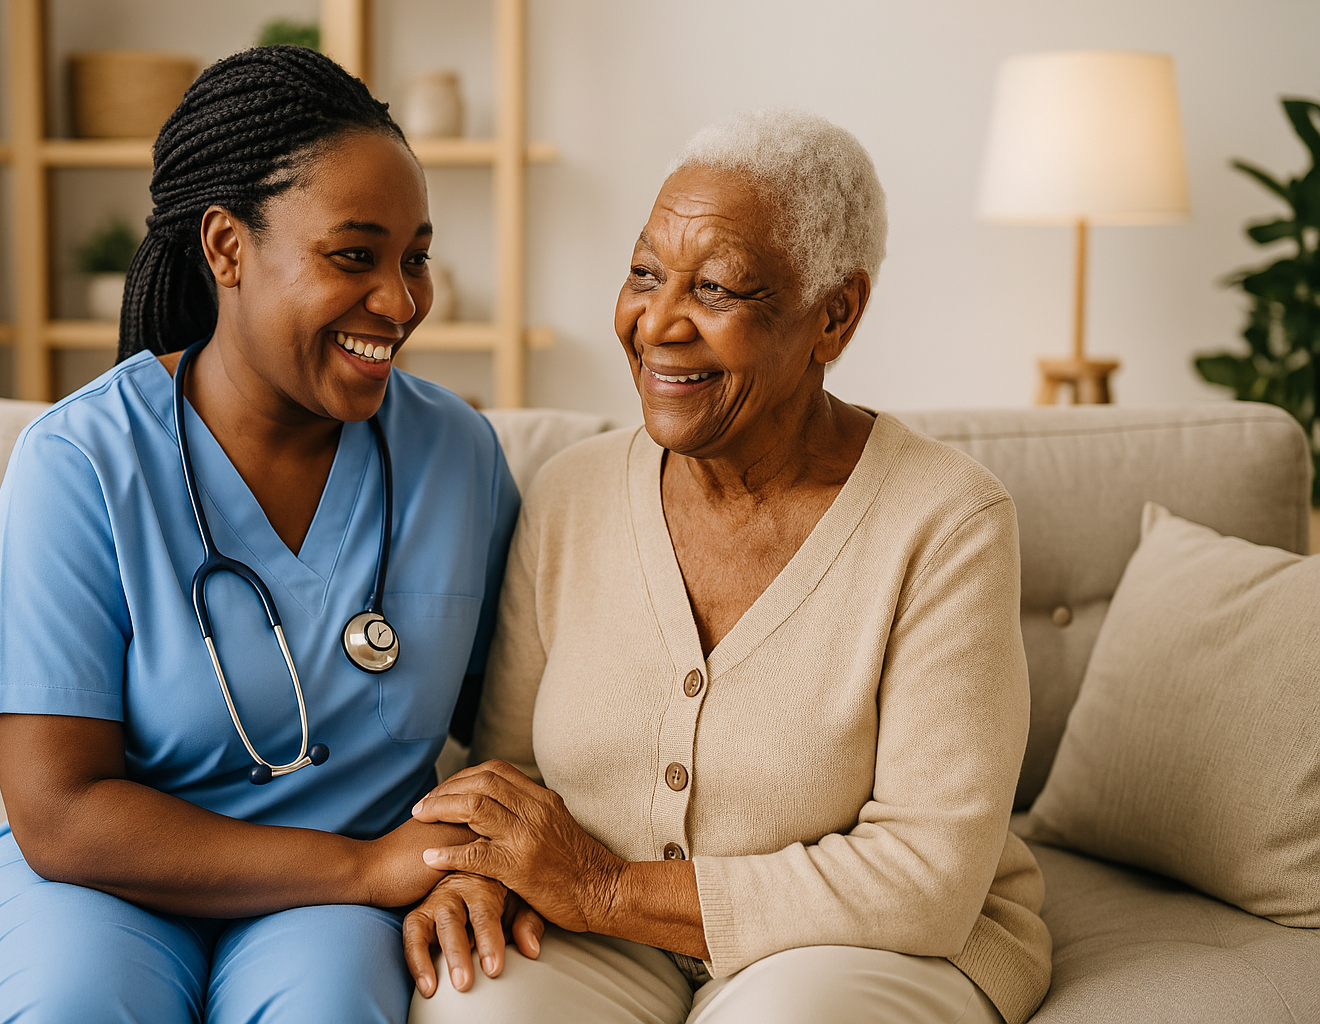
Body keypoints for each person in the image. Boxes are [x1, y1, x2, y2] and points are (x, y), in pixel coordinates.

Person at [403, 110, 1052, 1024]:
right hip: (603, 940)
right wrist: (473, 875)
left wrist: (610, 891)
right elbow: (511, 772)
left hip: (865, 947)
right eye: (642, 272)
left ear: (835, 315)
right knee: (473, 1008)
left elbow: (926, 876)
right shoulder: (571, 493)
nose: (658, 322)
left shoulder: (947, 520)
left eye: (716, 288)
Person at [0, 46, 534, 1024]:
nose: (400, 301)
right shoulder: (81, 463)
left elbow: (516, 729)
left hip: (333, 907)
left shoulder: (455, 454)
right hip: (99, 887)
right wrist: (367, 865)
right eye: (355, 255)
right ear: (226, 247)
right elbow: (61, 813)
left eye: (415, 257)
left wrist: (481, 863)